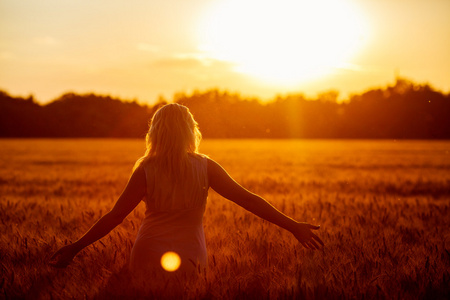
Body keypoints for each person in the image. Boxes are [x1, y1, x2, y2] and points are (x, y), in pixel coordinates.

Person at [49, 103, 324, 276]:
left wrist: (76, 247)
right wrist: (292, 225)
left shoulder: (146, 169)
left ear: (155, 132)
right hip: (192, 255)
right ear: (190, 131)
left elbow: (114, 216)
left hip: (147, 252)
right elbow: (247, 199)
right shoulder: (205, 166)